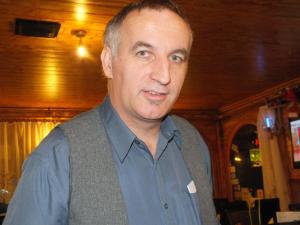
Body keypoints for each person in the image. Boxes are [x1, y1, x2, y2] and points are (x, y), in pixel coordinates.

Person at [3, 0, 218, 225]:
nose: (164, 76)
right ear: (108, 63)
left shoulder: (193, 142)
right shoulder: (56, 157)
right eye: (144, 53)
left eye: (176, 57)